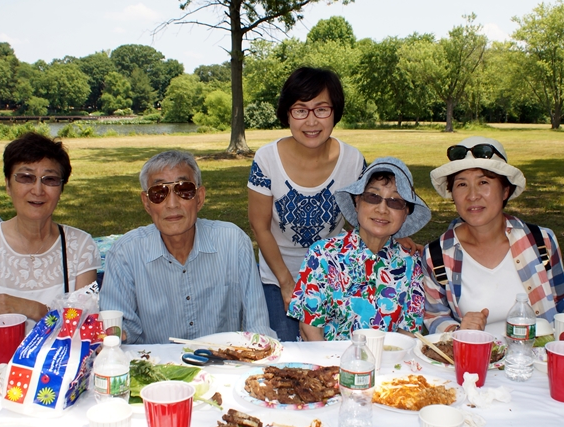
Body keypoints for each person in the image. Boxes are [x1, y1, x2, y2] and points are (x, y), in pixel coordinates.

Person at [99, 150, 275, 344]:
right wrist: (115, 334)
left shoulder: (233, 242)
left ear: (199, 198)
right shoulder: (124, 253)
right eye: (159, 193)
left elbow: (257, 325)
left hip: (223, 360)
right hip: (153, 362)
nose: (172, 204)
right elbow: (119, 326)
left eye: (184, 190)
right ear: (147, 203)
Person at [422, 136, 564, 335]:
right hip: (479, 354)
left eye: (483, 182)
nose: (472, 195)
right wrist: (458, 330)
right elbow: (435, 316)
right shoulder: (437, 255)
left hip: (539, 352)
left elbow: (562, 296)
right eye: (462, 184)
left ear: (505, 191)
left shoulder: (540, 241)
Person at [248, 67, 366, 341]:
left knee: (337, 350)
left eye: (321, 109)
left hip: (332, 275)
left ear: (335, 111)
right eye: (300, 110)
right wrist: (286, 283)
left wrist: (396, 237)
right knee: (285, 351)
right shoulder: (266, 159)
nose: (311, 121)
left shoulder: (353, 160)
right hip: (277, 274)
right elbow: (259, 227)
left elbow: (362, 220)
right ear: (287, 114)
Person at [0, 133, 100, 329]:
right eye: (26, 177)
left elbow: (85, 328)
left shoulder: (80, 246)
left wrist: (33, 309)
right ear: (8, 185)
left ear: (61, 190)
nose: (38, 190)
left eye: (50, 179)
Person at [287, 157, 432, 341]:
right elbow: (310, 331)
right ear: (357, 202)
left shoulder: (410, 263)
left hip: (388, 358)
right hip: (326, 357)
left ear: (406, 213)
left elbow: (408, 334)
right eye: (373, 197)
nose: (382, 209)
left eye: (395, 201)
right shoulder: (323, 255)